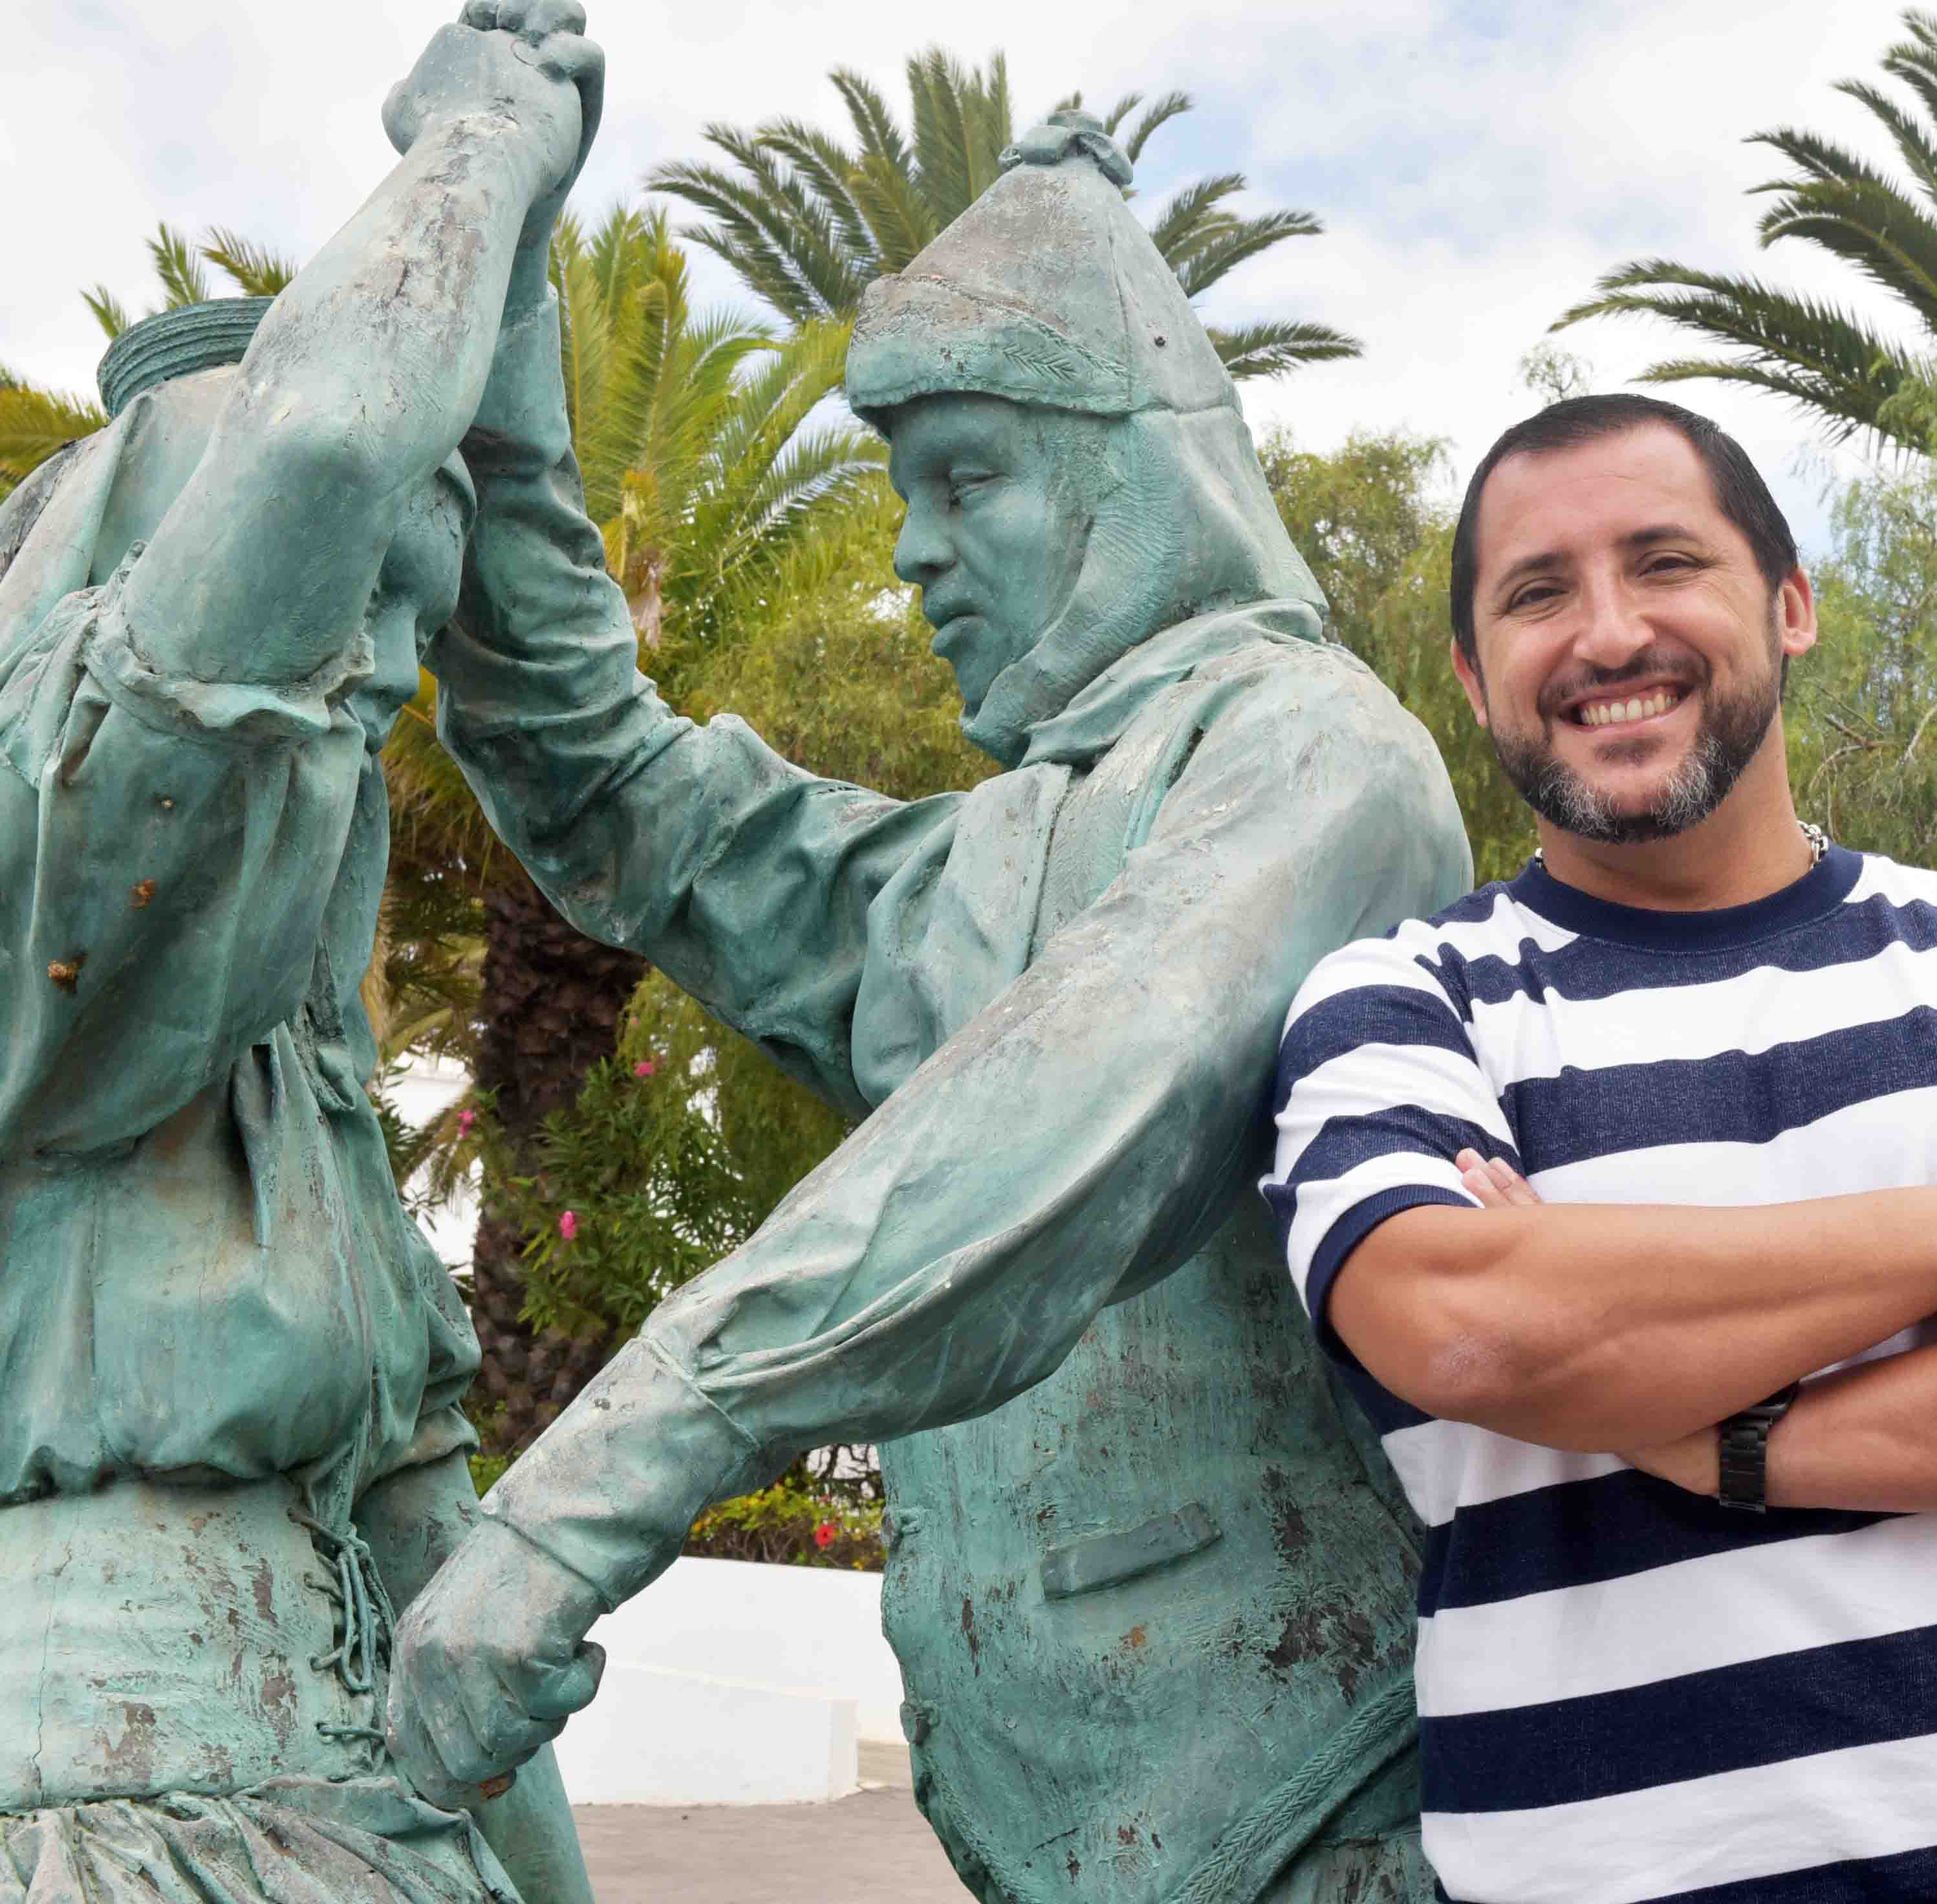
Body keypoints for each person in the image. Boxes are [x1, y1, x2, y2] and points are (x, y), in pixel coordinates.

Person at [388, 113, 1471, 1903]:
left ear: (1140, 475)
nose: (913, 552)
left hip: (1325, 1826)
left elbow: (1056, 1123)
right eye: (904, 492)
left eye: (968, 480)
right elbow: (610, 787)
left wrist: (586, 1497)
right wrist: (501, 276)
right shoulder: (978, 869)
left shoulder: (1318, 755)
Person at [1263, 393, 1937, 1904]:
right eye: (1537, 592)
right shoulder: (1402, 1000)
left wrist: (1724, 1440)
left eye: (1665, 561)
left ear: (1791, 603)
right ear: (1471, 672)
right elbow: (1471, 1324)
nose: (1608, 634)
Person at [0, 7, 607, 1898]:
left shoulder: (305, 1115)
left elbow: (431, 1599)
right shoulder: (52, 902)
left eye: (412, 626)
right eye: (350, 611)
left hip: (355, 1826)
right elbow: (334, 436)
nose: (387, 678)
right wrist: (483, 152)